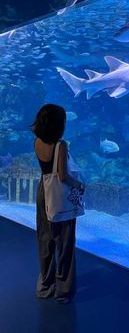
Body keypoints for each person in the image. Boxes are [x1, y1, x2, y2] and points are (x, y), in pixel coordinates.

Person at [31, 104, 84, 305]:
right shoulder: (60, 145)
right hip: (59, 196)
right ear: (58, 124)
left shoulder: (36, 141)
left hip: (43, 191)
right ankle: (63, 291)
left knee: (45, 239)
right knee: (64, 241)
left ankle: (45, 286)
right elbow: (62, 175)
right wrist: (79, 185)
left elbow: (47, 170)